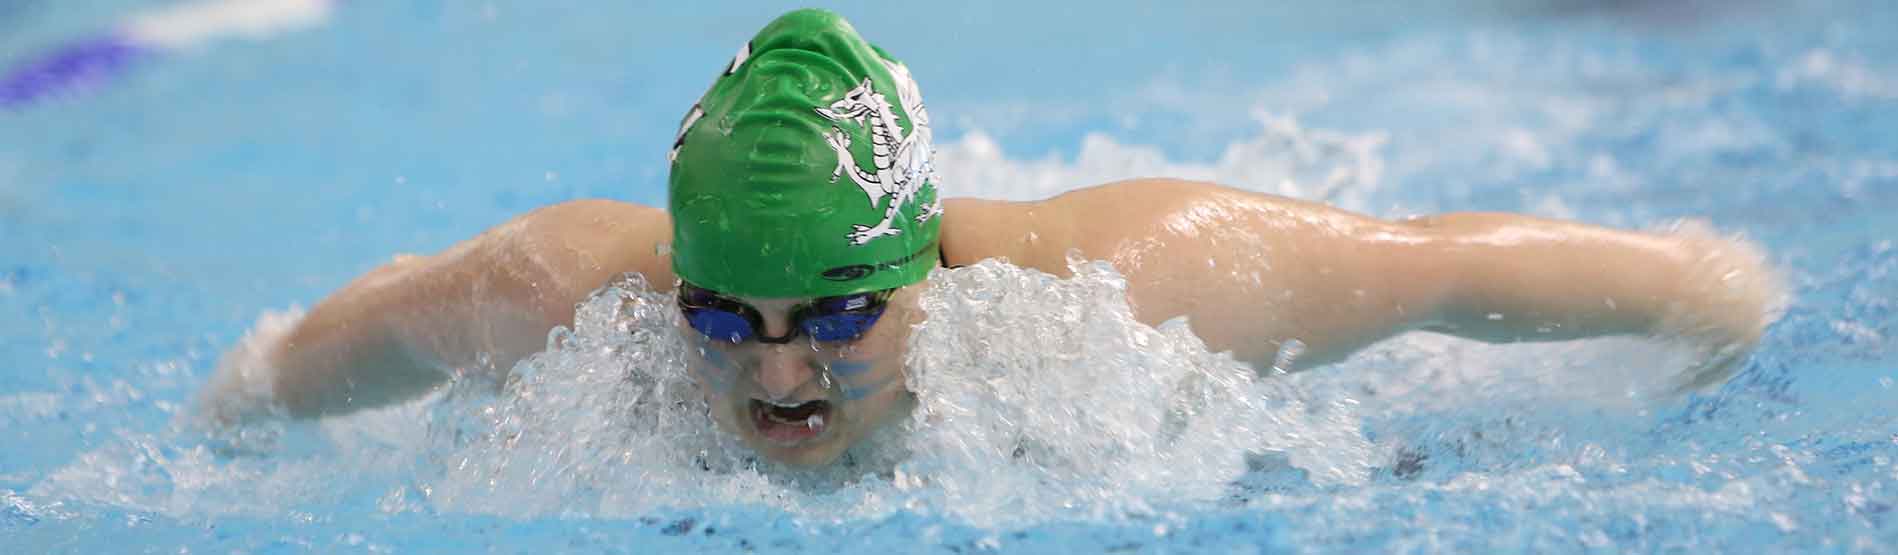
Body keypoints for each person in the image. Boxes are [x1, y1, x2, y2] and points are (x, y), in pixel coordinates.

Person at [196, 9, 1781, 467]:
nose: (780, 372)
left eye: (834, 312)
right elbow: (323, 352)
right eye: (722, 316)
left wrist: (1712, 306)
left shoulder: (1145, 283)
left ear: (922, 266)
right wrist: (238, 413)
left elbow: (1442, 259)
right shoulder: (560, 291)